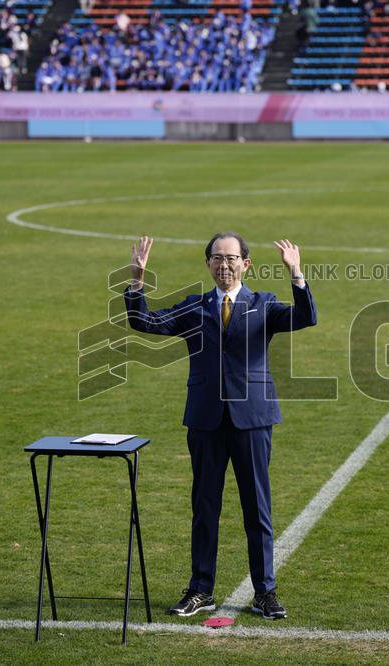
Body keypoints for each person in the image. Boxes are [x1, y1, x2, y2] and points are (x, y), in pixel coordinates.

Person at [124, 233, 317, 621]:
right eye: (216, 258)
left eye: (231, 258)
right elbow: (143, 321)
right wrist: (137, 281)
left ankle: (265, 591)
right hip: (206, 419)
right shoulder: (194, 307)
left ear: (246, 264)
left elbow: (306, 317)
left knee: (256, 508)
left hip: (253, 419)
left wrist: (296, 275)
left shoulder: (263, 304)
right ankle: (201, 589)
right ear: (208, 264)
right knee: (204, 506)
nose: (224, 265)